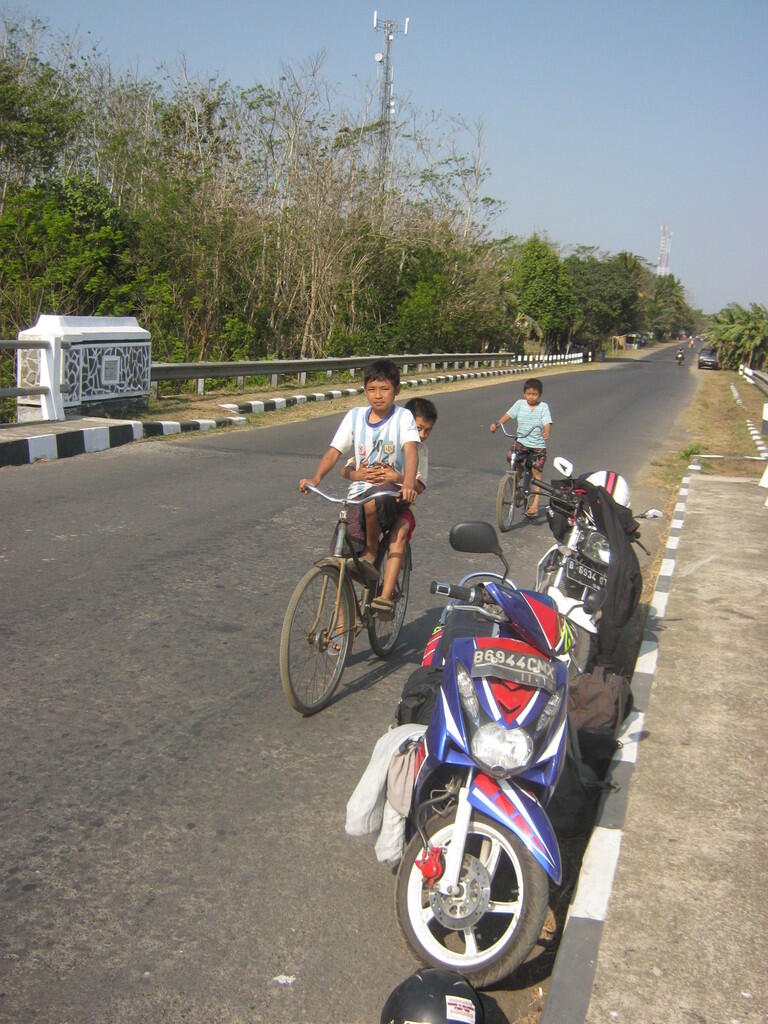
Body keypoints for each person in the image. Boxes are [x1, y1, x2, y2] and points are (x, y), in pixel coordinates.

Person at [299, 359, 419, 618]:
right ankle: (344, 619)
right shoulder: (354, 416)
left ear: (397, 390)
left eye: (385, 389)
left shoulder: (403, 417)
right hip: (357, 494)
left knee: (372, 501)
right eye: (372, 389)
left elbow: (411, 452)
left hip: (390, 495)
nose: (378, 395)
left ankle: (372, 550)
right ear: (365, 389)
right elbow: (334, 452)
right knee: (339, 558)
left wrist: (407, 483)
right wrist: (316, 478)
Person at [343, 394, 437, 567]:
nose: (422, 435)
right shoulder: (385, 438)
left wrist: (398, 478)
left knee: (385, 515)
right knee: (346, 527)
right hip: (364, 496)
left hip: (395, 502)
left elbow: (419, 486)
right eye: (418, 428)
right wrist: (358, 474)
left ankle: (381, 581)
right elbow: (348, 468)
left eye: (427, 430)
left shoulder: (419, 451)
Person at [489, 377, 552, 518]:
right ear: (524, 394)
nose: (531, 397)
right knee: (511, 457)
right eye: (529, 393)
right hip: (521, 442)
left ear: (540, 395)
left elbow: (547, 422)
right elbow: (508, 415)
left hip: (537, 446)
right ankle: (518, 475)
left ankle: (535, 504)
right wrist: (497, 424)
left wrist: (547, 431)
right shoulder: (520, 404)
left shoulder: (543, 407)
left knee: (536, 473)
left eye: (534, 394)